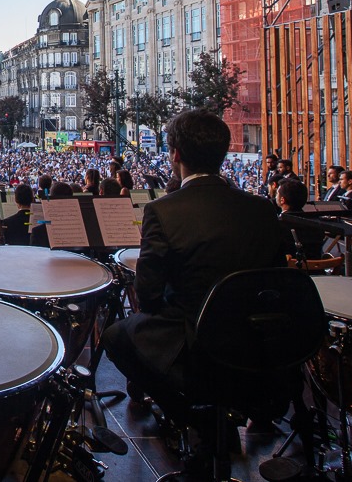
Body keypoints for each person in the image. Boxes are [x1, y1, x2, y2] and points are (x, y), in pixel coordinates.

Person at [103, 110, 285, 467]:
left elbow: (150, 296)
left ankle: (194, 417)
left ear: (175, 155)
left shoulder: (163, 211)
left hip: (196, 344)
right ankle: (222, 417)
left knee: (115, 337)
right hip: (258, 341)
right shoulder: (262, 209)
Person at [276, 179, 325, 260]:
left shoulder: (278, 225)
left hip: (288, 270)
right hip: (316, 270)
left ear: (282, 200)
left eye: (277, 194)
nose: (275, 196)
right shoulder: (317, 224)